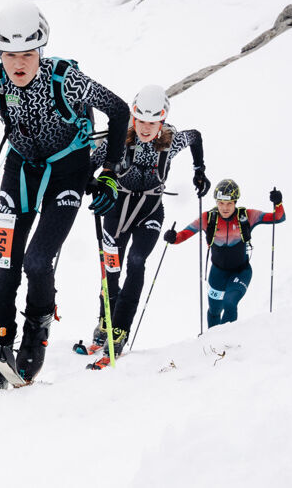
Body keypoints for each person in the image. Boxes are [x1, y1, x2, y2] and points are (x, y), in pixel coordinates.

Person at [0, 1, 130, 390]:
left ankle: (36, 336)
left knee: (36, 261)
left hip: (68, 172)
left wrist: (109, 176)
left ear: (41, 51)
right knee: (6, 266)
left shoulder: (66, 80)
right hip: (21, 174)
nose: (18, 64)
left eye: (28, 55)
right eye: (10, 55)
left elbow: (118, 111)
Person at [79, 85, 206, 368]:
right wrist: (90, 181)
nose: (146, 128)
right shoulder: (119, 139)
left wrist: (200, 170)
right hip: (115, 211)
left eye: (152, 122)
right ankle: (105, 321)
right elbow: (91, 163)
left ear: (162, 121)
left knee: (136, 262)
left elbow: (195, 137)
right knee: (111, 267)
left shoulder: (171, 142)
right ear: (133, 117)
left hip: (149, 213)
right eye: (141, 121)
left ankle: (120, 328)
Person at [164, 180, 286, 329]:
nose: (225, 208)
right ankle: (211, 343)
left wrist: (278, 202)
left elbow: (278, 218)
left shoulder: (247, 216)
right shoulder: (208, 218)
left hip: (241, 271)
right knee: (214, 311)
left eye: (229, 204)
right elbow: (184, 234)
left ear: (235, 202)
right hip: (217, 272)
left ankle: (226, 342)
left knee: (230, 302)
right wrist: (173, 237)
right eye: (221, 203)